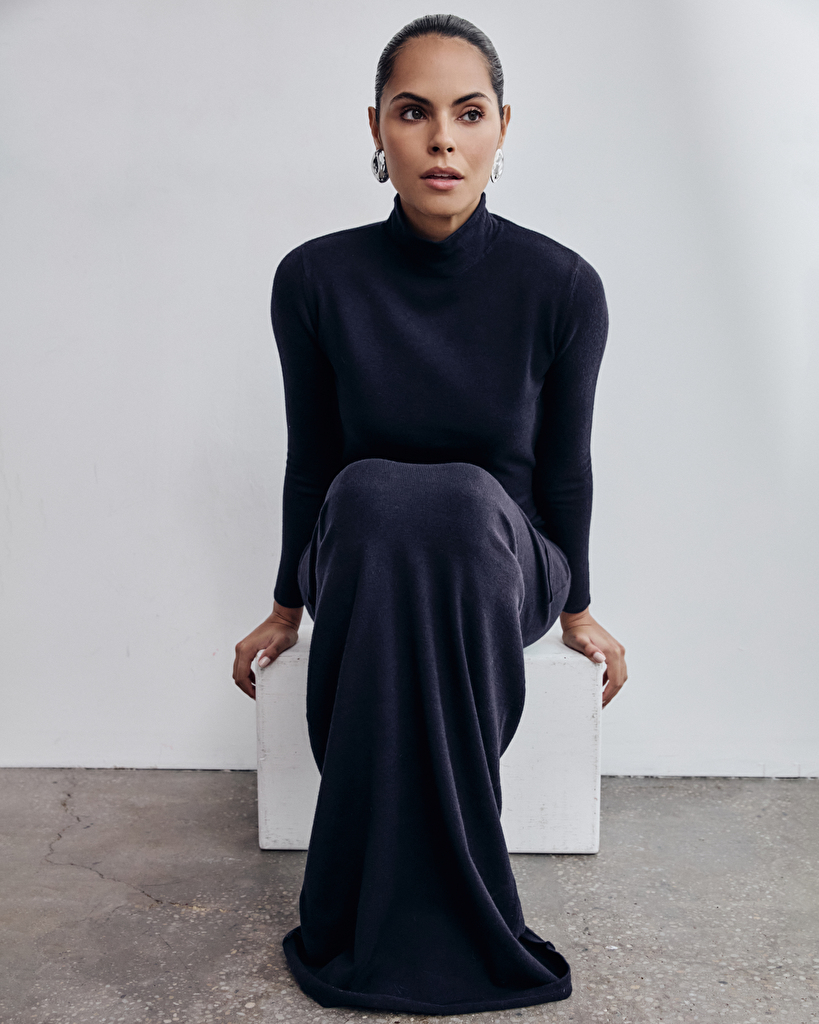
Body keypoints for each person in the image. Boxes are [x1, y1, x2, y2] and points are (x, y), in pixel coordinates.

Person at [233, 13, 628, 1014]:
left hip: (504, 556)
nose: (442, 139)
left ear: (502, 128)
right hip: (362, 547)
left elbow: (564, 471)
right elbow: (314, 460)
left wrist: (578, 607)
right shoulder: (315, 279)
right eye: (413, 113)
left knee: (454, 498)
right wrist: (285, 605)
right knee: (374, 491)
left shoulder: (561, 285)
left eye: (468, 113)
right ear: (376, 128)